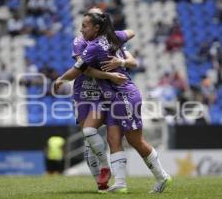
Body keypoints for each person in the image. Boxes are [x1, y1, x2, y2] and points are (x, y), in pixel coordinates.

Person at [56, 12, 172, 193]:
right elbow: (131, 32)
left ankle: (162, 176)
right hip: (112, 98)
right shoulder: (113, 36)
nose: (81, 29)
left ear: (96, 28)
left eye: (85, 26)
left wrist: (59, 80)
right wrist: (122, 60)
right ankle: (120, 184)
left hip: (124, 94)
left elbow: (77, 70)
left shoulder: (94, 47)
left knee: (136, 141)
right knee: (113, 139)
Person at [56, 8, 137, 192]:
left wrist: (123, 62)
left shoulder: (110, 40)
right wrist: (109, 76)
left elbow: (131, 57)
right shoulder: (79, 41)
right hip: (84, 93)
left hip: (104, 93)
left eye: (88, 23)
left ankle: (112, 172)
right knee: (88, 140)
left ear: (98, 25)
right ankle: (101, 183)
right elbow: (83, 69)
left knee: (101, 134)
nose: (83, 27)